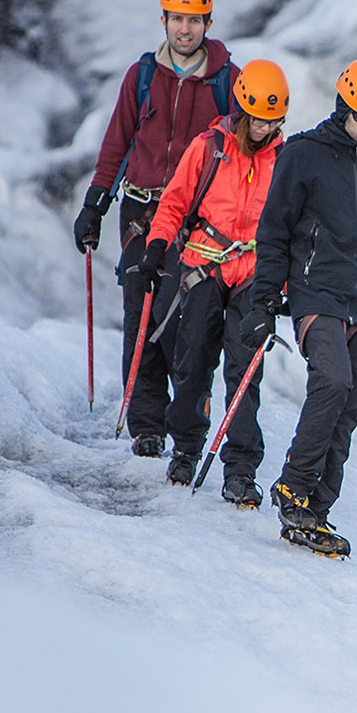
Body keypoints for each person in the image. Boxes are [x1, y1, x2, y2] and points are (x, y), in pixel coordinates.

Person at [244, 59, 357, 557]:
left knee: (347, 410)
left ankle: (314, 511)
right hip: (316, 292)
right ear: (343, 106)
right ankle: (293, 485)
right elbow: (273, 231)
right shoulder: (303, 155)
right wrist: (262, 301)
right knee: (332, 382)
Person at [72, 0, 239, 457]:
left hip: (194, 218)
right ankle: (147, 423)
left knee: (180, 316)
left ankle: (180, 416)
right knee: (138, 312)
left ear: (207, 21)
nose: (185, 29)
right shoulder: (141, 76)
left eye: (194, 20)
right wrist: (95, 203)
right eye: (177, 19)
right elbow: (117, 142)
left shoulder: (228, 82)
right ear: (163, 19)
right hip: (141, 209)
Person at [133, 59, 290, 502]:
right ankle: (186, 447)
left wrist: (285, 284)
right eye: (259, 118)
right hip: (204, 264)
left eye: (274, 120)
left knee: (246, 371)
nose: (265, 128)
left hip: (255, 275)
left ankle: (240, 468)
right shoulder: (209, 148)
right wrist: (157, 246)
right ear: (242, 109)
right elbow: (174, 204)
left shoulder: (284, 159)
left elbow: (296, 226)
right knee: (193, 361)